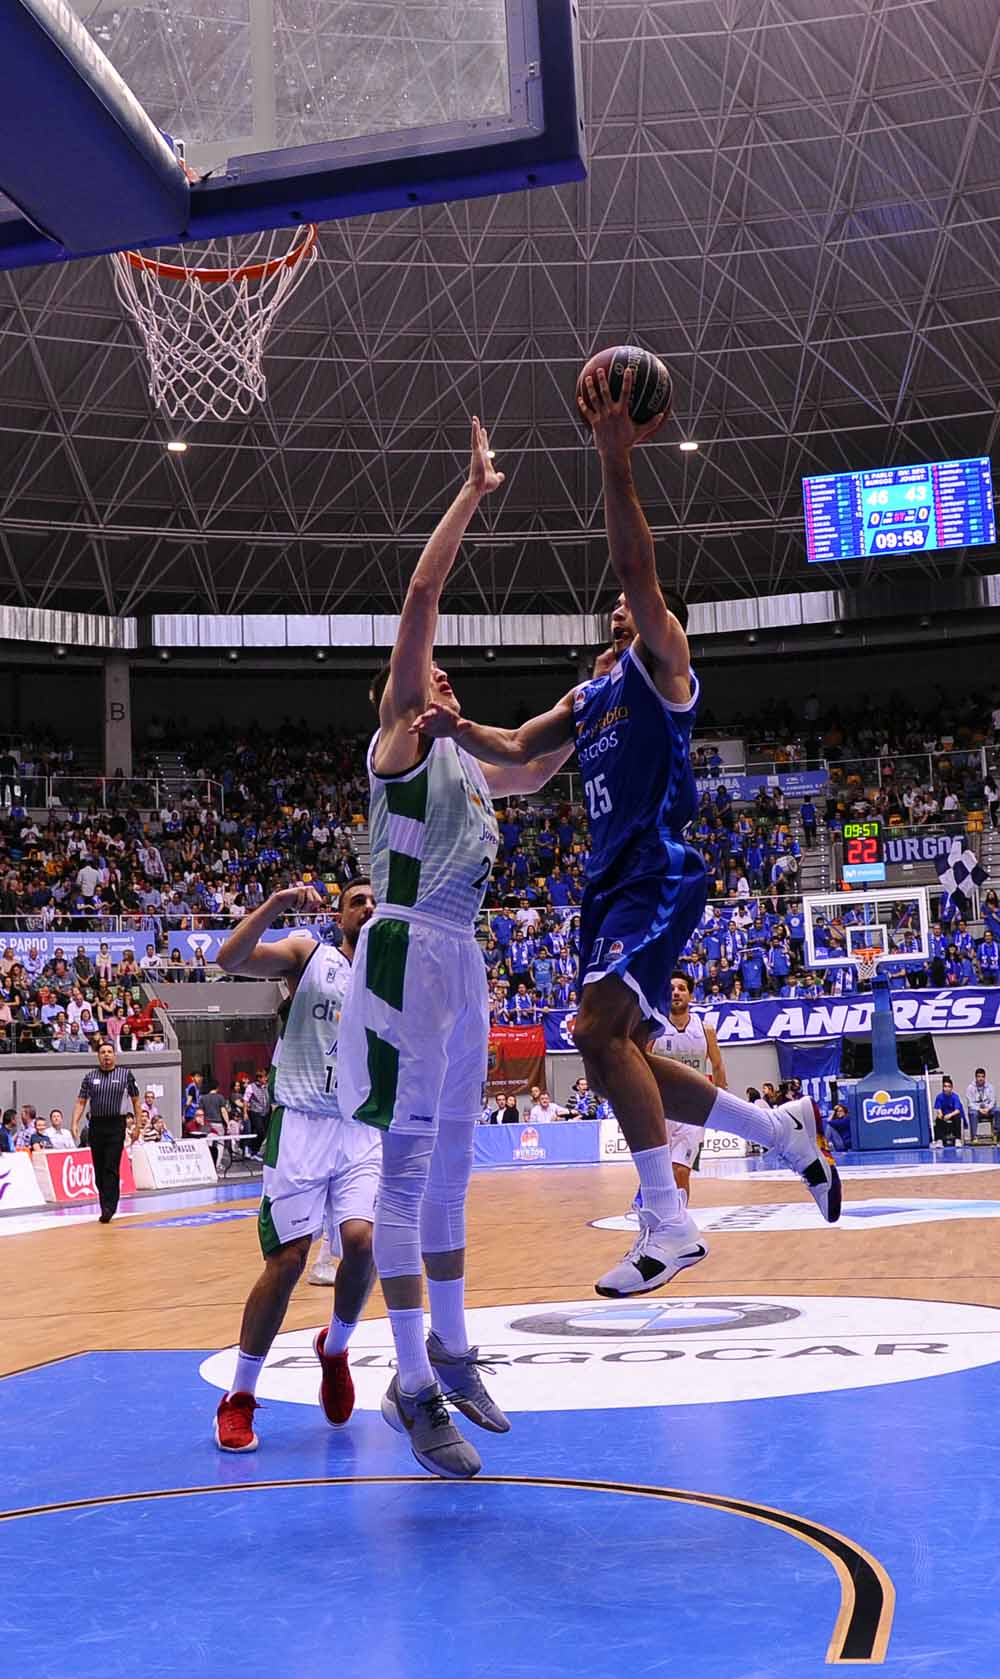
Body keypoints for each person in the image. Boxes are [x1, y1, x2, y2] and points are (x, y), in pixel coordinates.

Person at [416, 369, 839, 1299]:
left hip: (655, 870)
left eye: (634, 609)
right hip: (606, 885)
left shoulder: (663, 670)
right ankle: (780, 1129)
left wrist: (614, 460)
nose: (622, 611)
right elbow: (522, 751)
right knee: (624, 1056)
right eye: (613, 614)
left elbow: (637, 570)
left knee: (596, 1031)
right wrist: (452, 732)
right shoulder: (593, 693)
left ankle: (669, 1222)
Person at [338, 416, 576, 1480]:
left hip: (463, 961)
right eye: (435, 677)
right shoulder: (397, 739)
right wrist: (474, 494)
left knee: (449, 1175)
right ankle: (408, 1380)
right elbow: (420, 605)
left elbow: (536, 761)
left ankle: (455, 1347)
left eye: (447, 681)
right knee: (399, 1174)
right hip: (399, 955)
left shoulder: (478, 774)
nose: (447, 684)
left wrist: (613, 691)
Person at [210, 877, 382, 1453]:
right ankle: (238, 1396)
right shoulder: (310, 954)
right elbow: (228, 958)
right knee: (287, 1263)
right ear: (338, 914)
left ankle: (334, 1349)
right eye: (357, 900)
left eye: (375, 900)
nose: (368, 906)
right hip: (302, 1122)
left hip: (360, 1127)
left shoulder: (393, 975)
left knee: (362, 1242)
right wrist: (276, 906)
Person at [647, 971, 726, 1203]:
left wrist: (722, 1105)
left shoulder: (705, 1030)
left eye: (681, 988)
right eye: (671, 989)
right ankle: (655, 1212)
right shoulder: (655, 1028)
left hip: (693, 1109)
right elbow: (641, 1063)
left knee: (681, 1172)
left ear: (691, 995)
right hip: (661, 1108)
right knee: (660, 1174)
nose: (676, 993)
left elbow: (719, 1066)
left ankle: (680, 1222)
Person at [71, 1041, 142, 1224]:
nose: (106, 1055)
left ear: (115, 1055)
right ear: (98, 1056)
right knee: (99, 1168)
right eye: (103, 1052)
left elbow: (135, 1101)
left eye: (110, 1052)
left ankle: (109, 1207)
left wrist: (138, 1126)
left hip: (116, 1125)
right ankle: (104, 1203)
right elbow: (81, 1102)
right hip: (96, 1125)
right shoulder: (90, 1077)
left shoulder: (125, 1075)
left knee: (111, 1166)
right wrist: (74, 1123)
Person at [965, 1068, 999, 1142]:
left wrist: (988, 1108)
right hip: (977, 1110)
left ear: (985, 1077)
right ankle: (974, 1137)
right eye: (979, 1076)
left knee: (998, 1110)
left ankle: (997, 1134)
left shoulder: (990, 1087)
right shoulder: (970, 1088)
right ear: (976, 1077)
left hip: (988, 1109)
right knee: (972, 1113)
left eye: (982, 1076)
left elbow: (993, 1100)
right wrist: (979, 1109)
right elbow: (970, 1103)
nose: (980, 1078)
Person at [933, 1076, 964, 1147]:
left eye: (948, 1086)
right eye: (945, 1086)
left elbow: (957, 1110)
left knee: (957, 1117)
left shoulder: (955, 1097)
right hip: (944, 1115)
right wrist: (940, 1113)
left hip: (953, 1115)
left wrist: (950, 1115)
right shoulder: (939, 1097)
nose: (947, 1088)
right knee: (938, 1119)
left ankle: (958, 1139)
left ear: (951, 1088)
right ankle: (939, 1140)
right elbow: (938, 1108)